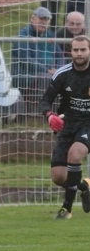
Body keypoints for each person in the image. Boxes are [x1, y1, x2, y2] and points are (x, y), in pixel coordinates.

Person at [38, 35, 90, 219]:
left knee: (75, 155)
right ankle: (85, 186)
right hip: (67, 125)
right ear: (71, 51)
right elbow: (44, 101)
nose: (79, 53)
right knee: (58, 177)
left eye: (83, 49)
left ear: (89, 50)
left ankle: (66, 209)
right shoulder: (63, 74)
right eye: (76, 50)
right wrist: (49, 115)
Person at [11, 6, 64, 115]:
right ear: (32, 19)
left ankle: (59, 114)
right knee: (46, 79)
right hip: (26, 75)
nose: (44, 22)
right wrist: (47, 70)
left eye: (46, 20)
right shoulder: (23, 35)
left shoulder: (50, 35)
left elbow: (60, 56)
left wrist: (58, 70)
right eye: (41, 19)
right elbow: (25, 59)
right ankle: (36, 115)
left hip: (49, 73)